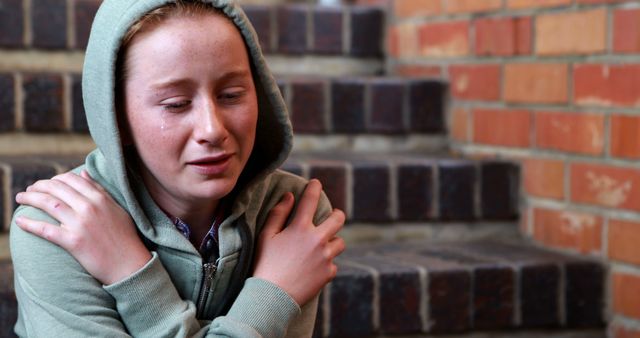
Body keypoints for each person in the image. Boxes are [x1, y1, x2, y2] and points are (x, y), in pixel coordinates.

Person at [9, 0, 345, 336]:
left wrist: (129, 271)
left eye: (231, 95)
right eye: (176, 104)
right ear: (117, 118)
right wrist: (272, 296)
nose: (212, 129)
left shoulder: (291, 217)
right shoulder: (59, 225)